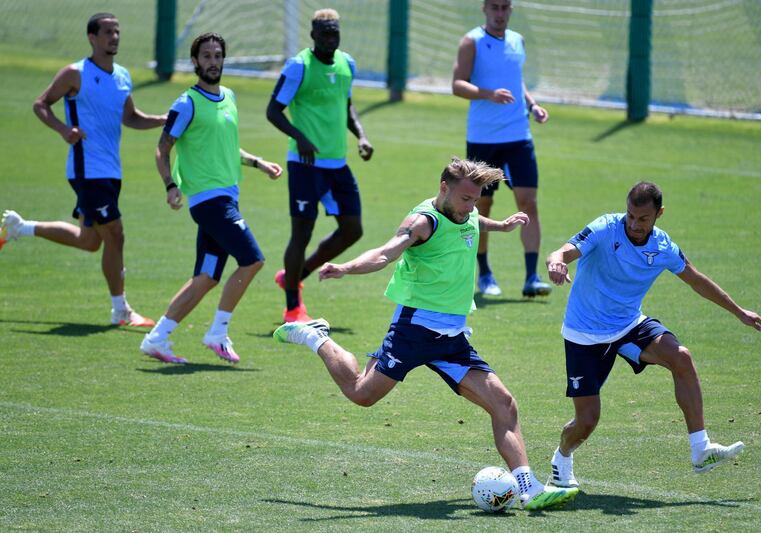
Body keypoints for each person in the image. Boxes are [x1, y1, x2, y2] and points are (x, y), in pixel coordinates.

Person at [274, 158, 579, 510]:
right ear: (443, 187)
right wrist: (346, 267)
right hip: (415, 329)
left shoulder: (465, 213)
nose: (472, 205)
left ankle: (529, 489)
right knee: (362, 393)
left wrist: (502, 225)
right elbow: (385, 253)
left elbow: (473, 222)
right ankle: (316, 337)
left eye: (477, 198)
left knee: (504, 403)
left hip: (452, 337)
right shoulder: (423, 223)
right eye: (466, 198)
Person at [544, 181, 761, 487]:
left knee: (681, 357)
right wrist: (556, 262)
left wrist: (739, 311)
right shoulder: (605, 227)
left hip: (628, 325)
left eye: (643, 219)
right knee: (586, 421)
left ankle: (700, 449)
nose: (635, 225)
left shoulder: (662, 246)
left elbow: (697, 280)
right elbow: (563, 251)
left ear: (659, 214)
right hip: (584, 333)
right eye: (630, 216)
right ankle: (562, 456)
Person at [1, 13, 165, 326]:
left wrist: (159, 120)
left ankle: (20, 227)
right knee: (116, 234)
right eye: (107, 32)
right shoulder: (75, 73)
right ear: (92, 37)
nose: (114, 37)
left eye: (117, 32)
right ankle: (121, 310)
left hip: (110, 171)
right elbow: (41, 103)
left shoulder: (123, 76)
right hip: (87, 170)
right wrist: (63, 130)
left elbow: (130, 117)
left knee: (91, 241)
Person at [139, 33, 282, 364]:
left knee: (206, 277)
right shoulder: (186, 103)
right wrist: (170, 185)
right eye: (206, 55)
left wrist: (258, 163)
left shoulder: (229, 96)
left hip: (226, 198)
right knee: (253, 259)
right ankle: (218, 332)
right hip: (210, 202)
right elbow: (163, 148)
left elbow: (229, 148)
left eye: (218, 55)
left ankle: (156, 338)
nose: (213, 61)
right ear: (195, 61)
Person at [266, 8, 374, 323]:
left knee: (353, 229)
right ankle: (292, 307)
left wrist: (362, 137)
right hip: (305, 164)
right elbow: (273, 111)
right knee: (302, 231)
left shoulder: (347, 64)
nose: (330, 38)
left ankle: (296, 274)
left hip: (337, 164)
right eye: (324, 33)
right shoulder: (299, 66)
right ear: (312, 34)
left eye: (334, 33)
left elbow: (347, 107)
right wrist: (299, 137)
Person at [452, 0, 551, 298]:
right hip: (483, 139)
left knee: (529, 203)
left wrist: (532, 105)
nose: (499, 13)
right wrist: (487, 94)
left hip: (518, 136)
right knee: (481, 206)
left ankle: (532, 277)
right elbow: (457, 84)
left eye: (505, 7)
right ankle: (484, 274)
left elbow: (515, 81)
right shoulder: (472, 41)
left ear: (511, 10)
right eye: (494, 7)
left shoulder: (517, 41)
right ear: (484, 9)